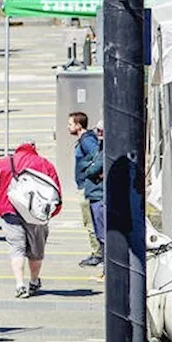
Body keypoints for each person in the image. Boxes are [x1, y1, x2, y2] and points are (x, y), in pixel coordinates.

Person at [0, 141, 62, 298]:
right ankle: (34, 281)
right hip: (36, 214)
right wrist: (51, 214)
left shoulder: (5, 162)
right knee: (36, 251)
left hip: (10, 211)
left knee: (17, 249)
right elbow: (56, 192)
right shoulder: (44, 163)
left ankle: (20, 284)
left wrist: (0, 198)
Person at [69, 112, 105, 267]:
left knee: (90, 221)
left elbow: (97, 156)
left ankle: (97, 253)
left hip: (87, 186)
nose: (68, 127)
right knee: (91, 221)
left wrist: (87, 167)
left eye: (70, 124)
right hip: (84, 184)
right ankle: (97, 252)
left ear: (78, 125)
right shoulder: (85, 139)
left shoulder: (87, 141)